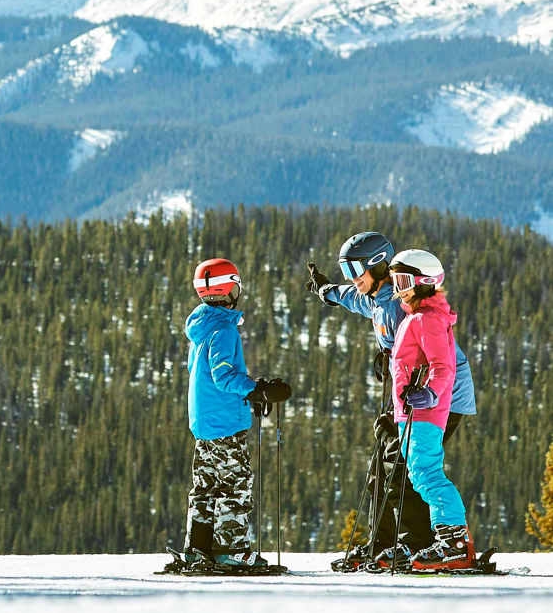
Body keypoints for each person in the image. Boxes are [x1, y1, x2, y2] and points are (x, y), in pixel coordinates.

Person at [305, 231, 476, 568]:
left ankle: (415, 542)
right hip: (409, 398)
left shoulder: (404, 307)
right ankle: (382, 543)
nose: (352, 279)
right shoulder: (378, 297)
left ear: (379, 265)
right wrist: (326, 291)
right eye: (346, 271)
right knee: (382, 469)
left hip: (440, 397)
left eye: (355, 271)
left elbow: (434, 360)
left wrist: (398, 368)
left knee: (405, 468)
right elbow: (352, 298)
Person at [182, 257, 292, 573]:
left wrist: (248, 395)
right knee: (235, 484)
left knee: (206, 485)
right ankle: (231, 550)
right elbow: (223, 376)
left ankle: (198, 549)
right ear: (231, 288)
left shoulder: (201, 326)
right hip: (224, 423)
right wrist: (257, 390)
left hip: (205, 421)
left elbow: (199, 373)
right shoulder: (224, 328)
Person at [386, 248, 475, 570]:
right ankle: (446, 541)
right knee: (418, 474)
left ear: (424, 282)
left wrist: (430, 393)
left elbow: (443, 366)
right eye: (395, 281)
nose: (398, 288)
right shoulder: (415, 318)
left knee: (427, 474)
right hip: (409, 411)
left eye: (403, 281)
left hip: (424, 411)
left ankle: (454, 543)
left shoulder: (428, 319)